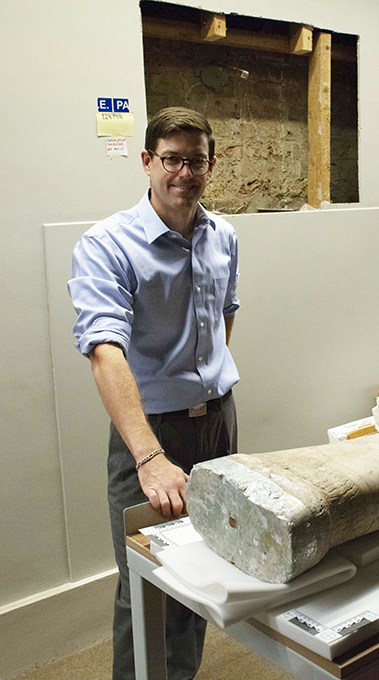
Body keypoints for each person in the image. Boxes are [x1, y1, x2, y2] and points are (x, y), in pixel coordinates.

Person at [68, 107, 240, 680]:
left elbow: (223, 317)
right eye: (171, 159)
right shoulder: (107, 244)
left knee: (208, 573)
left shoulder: (225, 237)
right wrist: (148, 455)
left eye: (196, 161)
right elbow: (104, 351)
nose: (183, 172)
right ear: (147, 162)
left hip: (218, 425)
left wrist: (208, 381)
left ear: (210, 167)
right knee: (148, 584)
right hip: (152, 434)